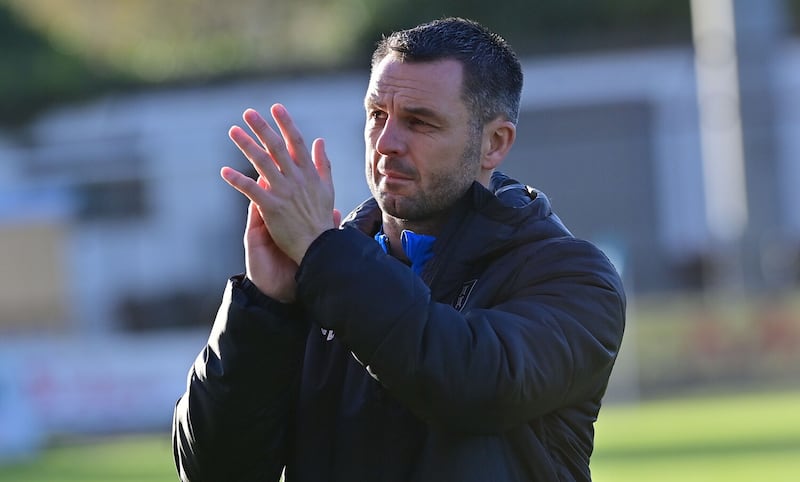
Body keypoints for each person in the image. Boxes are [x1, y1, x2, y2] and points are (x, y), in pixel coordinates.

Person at [172, 17, 625, 482]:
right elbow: (215, 471)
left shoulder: (572, 276)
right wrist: (265, 308)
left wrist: (323, 256)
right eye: (377, 115)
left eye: (419, 122)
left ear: (494, 143)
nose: (386, 143)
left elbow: (469, 383)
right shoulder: (321, 269)